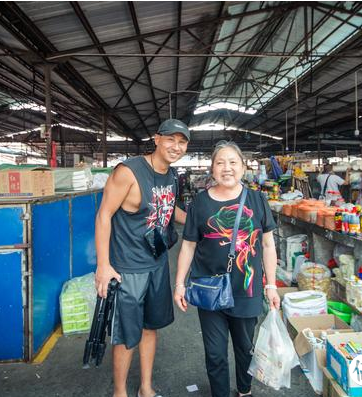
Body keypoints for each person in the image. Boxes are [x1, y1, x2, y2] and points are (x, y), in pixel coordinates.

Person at [174, 141, 280, 397]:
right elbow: (188, 246)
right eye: (220, 162)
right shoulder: (199, 203)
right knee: (215, 353)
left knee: (245, 348)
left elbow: (267, 245)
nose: (227, 168)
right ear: (212, 168)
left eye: (233, 162)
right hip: (209, 288)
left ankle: (244, 390)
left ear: (243, 167)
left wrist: (271, 285)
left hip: (247, 289)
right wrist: (179, 284)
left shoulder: (257, 199)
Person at [94, 119, 190, 397]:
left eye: (182, 142)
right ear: (156, 139)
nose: (176, 146)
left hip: (157, 264)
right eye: (171, 139)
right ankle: (120, 392)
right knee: (127, 334)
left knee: (151, 327)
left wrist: (205, 221)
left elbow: (171, 212)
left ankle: (146, 388)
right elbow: (104, 215)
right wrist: (103, 265)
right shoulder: (129, 171)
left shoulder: (172, 176)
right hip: (129, 267)